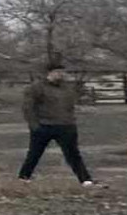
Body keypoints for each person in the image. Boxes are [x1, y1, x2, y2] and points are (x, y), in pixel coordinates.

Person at [19, 57, 94, 185]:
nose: (60, 74)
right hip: (44, 125)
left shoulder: (67, 88)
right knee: (34, 154)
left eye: (62, 72)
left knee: (73, 154)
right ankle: (23, 177)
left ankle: (85, 179)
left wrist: (72, 119)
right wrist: (34, 125)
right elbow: (28, 107)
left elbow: (71, 105)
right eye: (57, 72)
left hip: (65, 126)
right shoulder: (36, 87)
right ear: (49, 73)